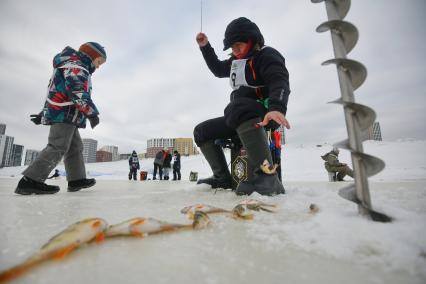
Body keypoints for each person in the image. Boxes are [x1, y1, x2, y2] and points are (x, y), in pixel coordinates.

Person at [194, 17, 290, 196]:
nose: (235, 50)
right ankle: (222, 177)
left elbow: (280, 80)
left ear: (252, 41)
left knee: (238, 107)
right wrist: (205, 46)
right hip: (239, 117)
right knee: (201, 132)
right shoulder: (235, 63)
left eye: (239, 45)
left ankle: (268, 178)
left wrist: (277, 107)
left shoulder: (266, 55)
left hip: (265, 116)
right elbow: (216, 69)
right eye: (232, 47)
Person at [15, 42, 107, 195]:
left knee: (75, 147)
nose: (98, 67)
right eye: (98, 62)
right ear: (90, 56)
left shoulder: (70, 64)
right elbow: (77, 91)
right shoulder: (76, 66)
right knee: (57, 145)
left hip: (67, 113)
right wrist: (91, 113)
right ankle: (30, 181)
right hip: (65, 113)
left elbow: (55, 90)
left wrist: (43, 113)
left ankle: (76, 180)